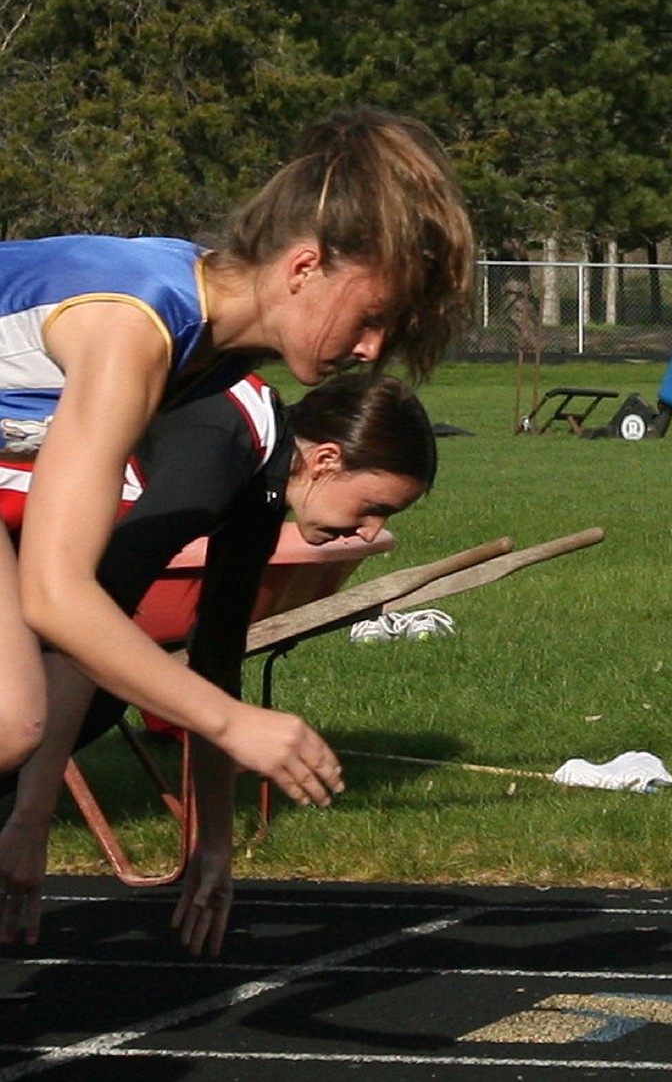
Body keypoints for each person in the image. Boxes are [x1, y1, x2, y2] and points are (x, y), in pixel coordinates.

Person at [0, 107, 472, 780]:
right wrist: (231, 721)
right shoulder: (134, 325)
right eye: (372, 318)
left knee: (12, 718)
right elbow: (57, 593)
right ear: (303, 266)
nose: (372, 350)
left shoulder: (207, 343)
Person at [0, 370, 437, 955]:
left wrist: (214, 841)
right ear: (328, 459)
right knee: (35, 720)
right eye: (375, 506)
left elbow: (216, 661)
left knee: (87, 705)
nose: (371, 530)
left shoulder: (260, 473)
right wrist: (32, 818)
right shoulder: (222, 448)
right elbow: (84, 620)